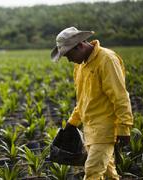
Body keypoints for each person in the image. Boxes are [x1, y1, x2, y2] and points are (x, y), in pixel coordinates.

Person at [51, 27, 133, 180]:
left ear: (80, 46)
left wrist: (124, 127)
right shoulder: (80, 65)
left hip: (105, 129)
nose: (68, 60)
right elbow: (83, 99)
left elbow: (120, 96)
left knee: (92, 172)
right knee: (109, 173)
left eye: (69, 54)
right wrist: (72, 122)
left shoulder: (107, 59)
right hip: (90, 130)